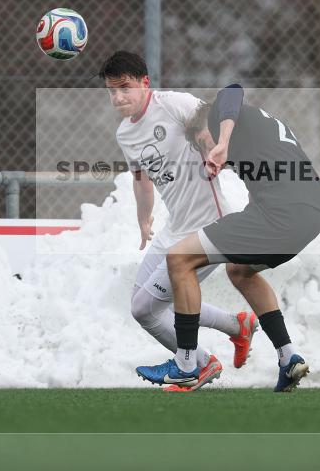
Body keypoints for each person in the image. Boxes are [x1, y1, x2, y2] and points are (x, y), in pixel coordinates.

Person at [136, 84, 320, 392]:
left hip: (284, 214)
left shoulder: (222, 119)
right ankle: (288, 356)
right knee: (239, 270)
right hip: (313, 214)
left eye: (202, 141)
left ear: (210, 122)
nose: (205, 149)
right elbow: (269, 178)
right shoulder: (256, 130)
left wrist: (221, 140)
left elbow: (232, 91)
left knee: (179, 258)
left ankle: (186, 366)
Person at [99, 52, 258, 391]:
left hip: (209, 226)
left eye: (124, 87)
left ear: (145, 83)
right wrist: (144, 221)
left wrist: (214, 148)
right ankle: (236, 326)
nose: (118, 97)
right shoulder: (125, 134)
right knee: (143, 306)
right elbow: (141, 179)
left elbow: (206, 125)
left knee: (146, 307)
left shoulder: (173, 104)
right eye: (111, 91)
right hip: (175, 226)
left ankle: (198, 364)